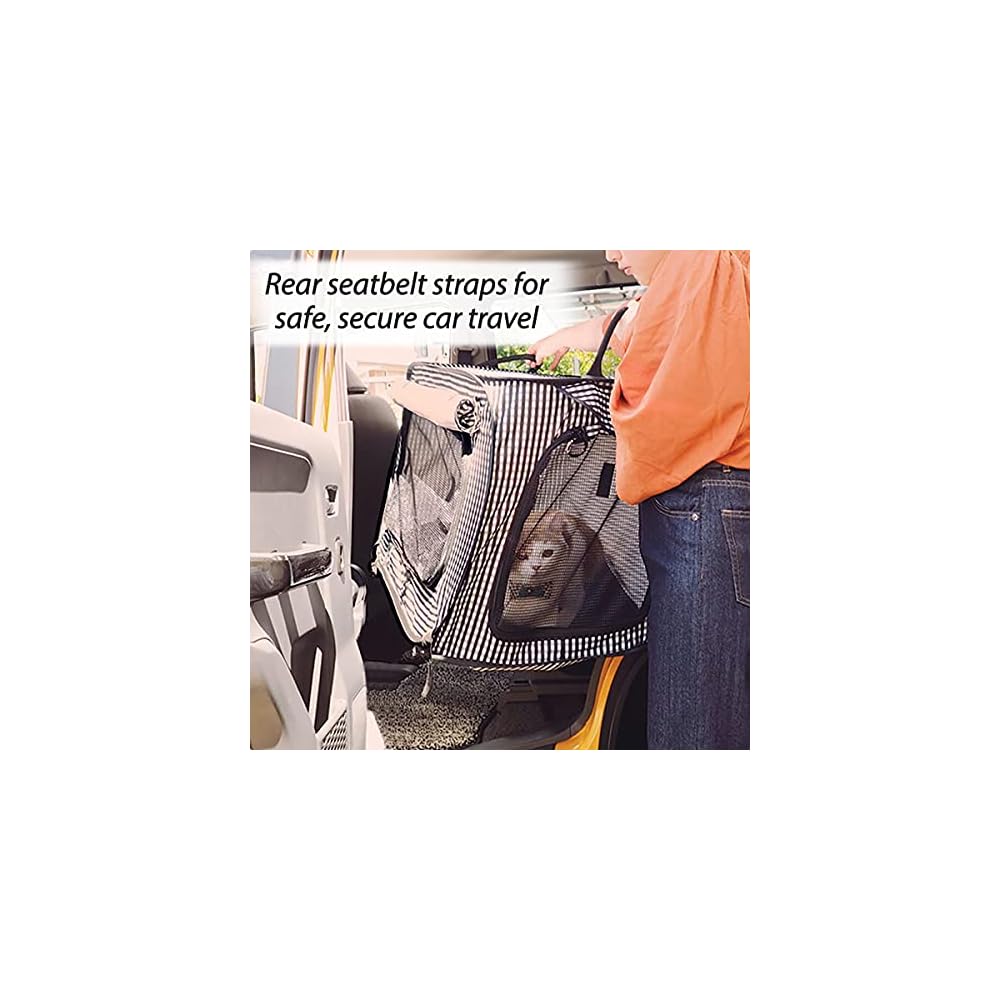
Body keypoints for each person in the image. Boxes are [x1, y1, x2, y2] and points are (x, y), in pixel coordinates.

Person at [529, 251, 750, 749]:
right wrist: (569, 336)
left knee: (695, 730)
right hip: (714, 509)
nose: (611, 253)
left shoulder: (702, 260)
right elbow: (636, 323)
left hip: (707, 507)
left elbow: (656, 387)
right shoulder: (702, 282)